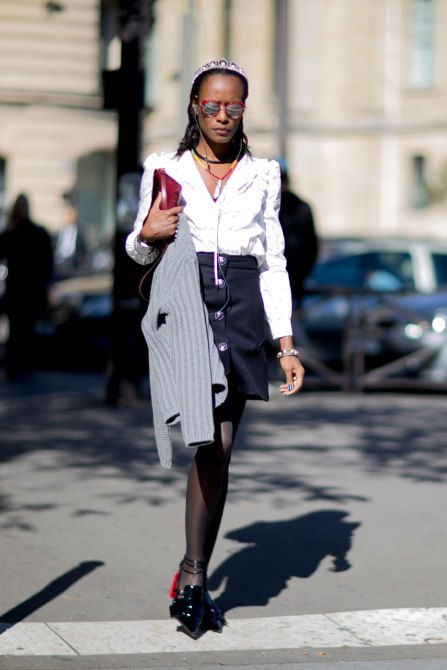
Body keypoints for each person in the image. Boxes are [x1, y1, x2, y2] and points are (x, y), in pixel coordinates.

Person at [125, 58, 305, 639]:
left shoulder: (263, 174)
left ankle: (192, 575)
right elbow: (138, 248)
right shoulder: (165, 167)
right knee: (209, 441)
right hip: (190, 305)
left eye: (233, 106)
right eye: (212, 105)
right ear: (194, 108)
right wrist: (146, 235)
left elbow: (273, 260)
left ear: (243, 111)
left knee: (220, 449)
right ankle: (194, 574)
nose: (222, 116)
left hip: (244, 307)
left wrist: (285, 343)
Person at [0, 194, 53, 380]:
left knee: (26, 330)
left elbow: (47, 263)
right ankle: (16, 365)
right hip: (17, 291)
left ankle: (23, 365)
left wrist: (46, 286)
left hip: (30, 291)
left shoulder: (36, 232)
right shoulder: (10, 233)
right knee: (17, 330)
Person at [279, 166, 319, 306]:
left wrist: (303, 272)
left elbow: (311, 245)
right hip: (287, 273)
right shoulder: (301, 207)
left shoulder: (300, 208)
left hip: (293, 273)